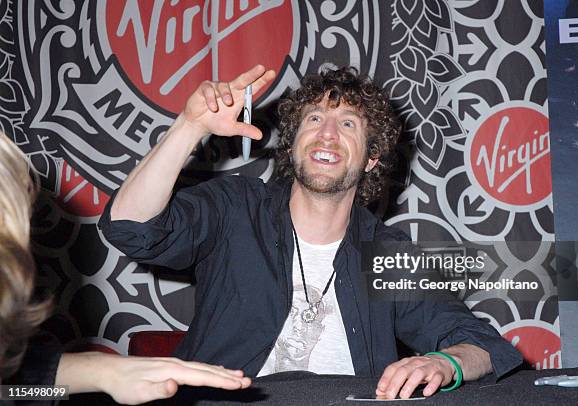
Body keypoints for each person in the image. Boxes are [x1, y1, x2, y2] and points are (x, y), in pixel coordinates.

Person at [99, 65, 523, 399]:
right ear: (292, 143)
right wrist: (189, 127)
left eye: (349, 124)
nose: (327, 133)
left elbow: (482, 345)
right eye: (314, 118)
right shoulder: (237, 207)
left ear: (371, 159)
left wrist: (443, 364)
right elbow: (132, 229)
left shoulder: (387, 254)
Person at [0, 131, 251, 405]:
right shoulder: (241, 202)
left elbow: (16, 391)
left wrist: (103, 372)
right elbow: (130, 229)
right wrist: (190, 125)